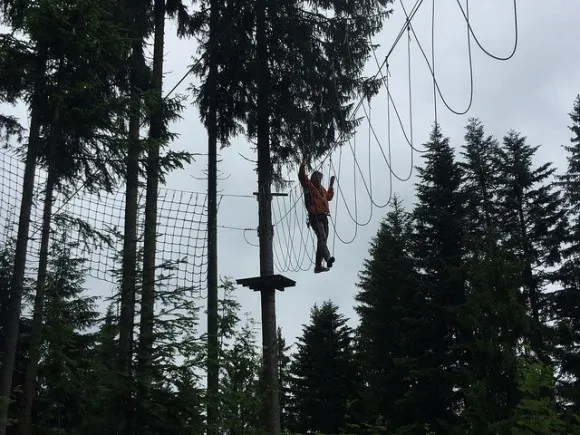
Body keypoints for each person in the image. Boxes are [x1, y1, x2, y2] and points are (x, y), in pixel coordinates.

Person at [298, 154, 335, 273]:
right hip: (315, 217)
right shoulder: (309, 186)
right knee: (322, 237)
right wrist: (303, 163)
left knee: (322, 240)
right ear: (313, 178)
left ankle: (318, 267)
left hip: (324, 217)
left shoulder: (322, 190)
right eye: (317, 178)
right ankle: (327, 257)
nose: (319, 180)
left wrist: (331, 185)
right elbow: (302, 176)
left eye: (320, 178)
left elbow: (329, 197)